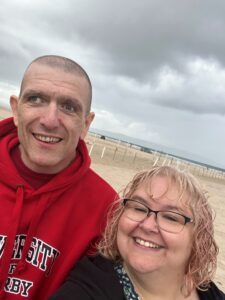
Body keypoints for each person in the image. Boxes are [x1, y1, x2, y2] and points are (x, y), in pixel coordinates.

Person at [0, 55, 117, 299]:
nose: (50, 120)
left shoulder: (106, 208)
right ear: (16, 109)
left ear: (86, 124)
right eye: (35, 99)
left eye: (69, 107)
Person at [50, 166, 225, 300]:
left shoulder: (208, 292)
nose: (148, 225)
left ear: (198, 237)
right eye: (139, 208)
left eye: (171, 217)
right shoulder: (83, 292)